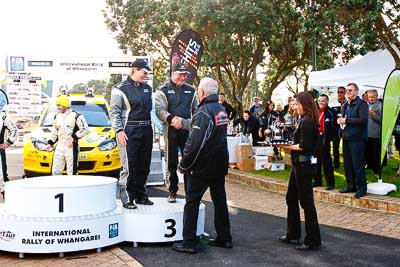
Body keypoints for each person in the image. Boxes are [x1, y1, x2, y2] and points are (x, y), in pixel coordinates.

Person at [172, 77, 232, 254]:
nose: (198, 93)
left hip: (202, 167)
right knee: (220, 201)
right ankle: (224, 238)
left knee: (192, 202)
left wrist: (183, 165)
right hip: (219, 164)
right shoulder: (220, 109)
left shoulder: (203, 111)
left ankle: (189, 242)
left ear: (202, 93)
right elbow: (201, 126)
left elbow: (195, 143)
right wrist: (182, 122)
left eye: (198, 91)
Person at [276, 91, 321, 251]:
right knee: (291, 198)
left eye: (297, 103)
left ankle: (312, 240)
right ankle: (293, 234)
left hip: (304, 166)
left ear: (305, 104)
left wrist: (283, 146)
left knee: (306, 202)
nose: (295, 106)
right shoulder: (304, 120)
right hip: (298, 166)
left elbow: (304, 146)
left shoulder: (307, 121)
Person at [110, 59, 154, 209]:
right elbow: (114, 112)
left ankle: (141, 195)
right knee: (129, 166)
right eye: (144, 71)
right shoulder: (120, 88)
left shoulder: (147, 88)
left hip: (147, 130)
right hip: (129, 130)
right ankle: (126, 198)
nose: (146, 74)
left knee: (144, 165)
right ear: (135, 69)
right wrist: (119, 131)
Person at [155, 62, 197, 203]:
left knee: (189, 159)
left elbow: (196, 110)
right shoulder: (163, 90)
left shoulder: (192, 90)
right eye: (180, 74)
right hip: (170, 129)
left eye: (185, 74)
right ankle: (172, 190)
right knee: (171, 160)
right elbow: (160, 110)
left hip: (187, 130)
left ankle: (190, 192)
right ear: (173, 74)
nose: (183, 77)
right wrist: (172, 120)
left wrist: (191, 124)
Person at [337, 83, 369, 198]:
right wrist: (341, 122)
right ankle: (351, 185)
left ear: (356, 92)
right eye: (346, 90)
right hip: (346, 138)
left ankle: (361, 188)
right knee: (347, 165)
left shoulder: (362, 104)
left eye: (350, 90)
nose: (347, 92)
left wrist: (346, 120)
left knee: (358, 165)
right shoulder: (345, 105)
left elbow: (363, 120)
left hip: (357, 139)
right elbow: (344, 120)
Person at [46, 95, 89, 176]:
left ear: (66, 105)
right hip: (59, 146)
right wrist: (50, 143)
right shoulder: (56, 116)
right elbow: (55, 132)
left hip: (71, 147)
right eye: (57, 105)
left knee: (72, 173)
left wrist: (73, 137)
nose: (57, 107)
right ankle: (58, 188)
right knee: (55, 171)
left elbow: (85, 129)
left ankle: (72, 188)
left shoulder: (77, 116)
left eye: (59, 105)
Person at [314, 94, 336, 190]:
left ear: (327, 101)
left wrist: (329, 139)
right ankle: (317, 181)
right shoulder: (315, 112)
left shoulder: (331, 112)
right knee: (315, 161)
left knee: (326, 162)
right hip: (315, 139)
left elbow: (334, 127)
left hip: (325, 139)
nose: (321, 103)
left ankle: (330, 183)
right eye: (319, 101)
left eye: (323, 101)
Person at [0, 112, 18, 200]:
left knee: (2, 176)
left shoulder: (3, 118)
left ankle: (8, 201)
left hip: (0, 151)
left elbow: (15, 130)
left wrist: (8, 142)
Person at [365, 90, 383, 175]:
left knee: (376, 153)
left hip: (376, 134)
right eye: (369, 97)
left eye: (372, 97)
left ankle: (377, 170)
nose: (371, 99)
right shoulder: (366, 105)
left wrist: (373, 115)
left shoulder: (380, 105)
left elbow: (382, 120)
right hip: (366, 133)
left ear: (376, 96)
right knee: (368, 151)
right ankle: (369, 166)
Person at [331, 86, 346, 168]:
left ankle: (347, 162)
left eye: (341, 92)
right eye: (338, 92)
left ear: (345, 93)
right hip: (336, 129)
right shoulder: (333, 103)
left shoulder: (348, 103)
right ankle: (336, 163)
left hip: (346, 128)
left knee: (346, 147)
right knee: (335, 147)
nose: (339, 93)